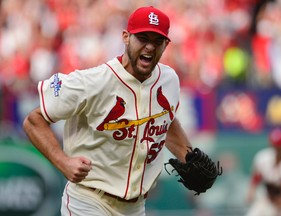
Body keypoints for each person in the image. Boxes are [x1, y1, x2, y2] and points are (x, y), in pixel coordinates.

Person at [23, 6, 193, 216]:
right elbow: (33, 120)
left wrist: (189, 156)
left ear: (166, 44)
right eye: (142, 38)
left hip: (136, 207)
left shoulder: (169, 80)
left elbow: (164, 119)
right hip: (88, 200)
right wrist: (62, 161)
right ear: (126, 37)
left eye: (157, 41)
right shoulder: (93, 81)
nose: (149, 47)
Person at [246, 127, 281, 216]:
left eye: (280, 145)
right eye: (275, 145)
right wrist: (251, 191)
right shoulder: (263, 157)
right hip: (267, 198)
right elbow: (256, 177)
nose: (278, 148)